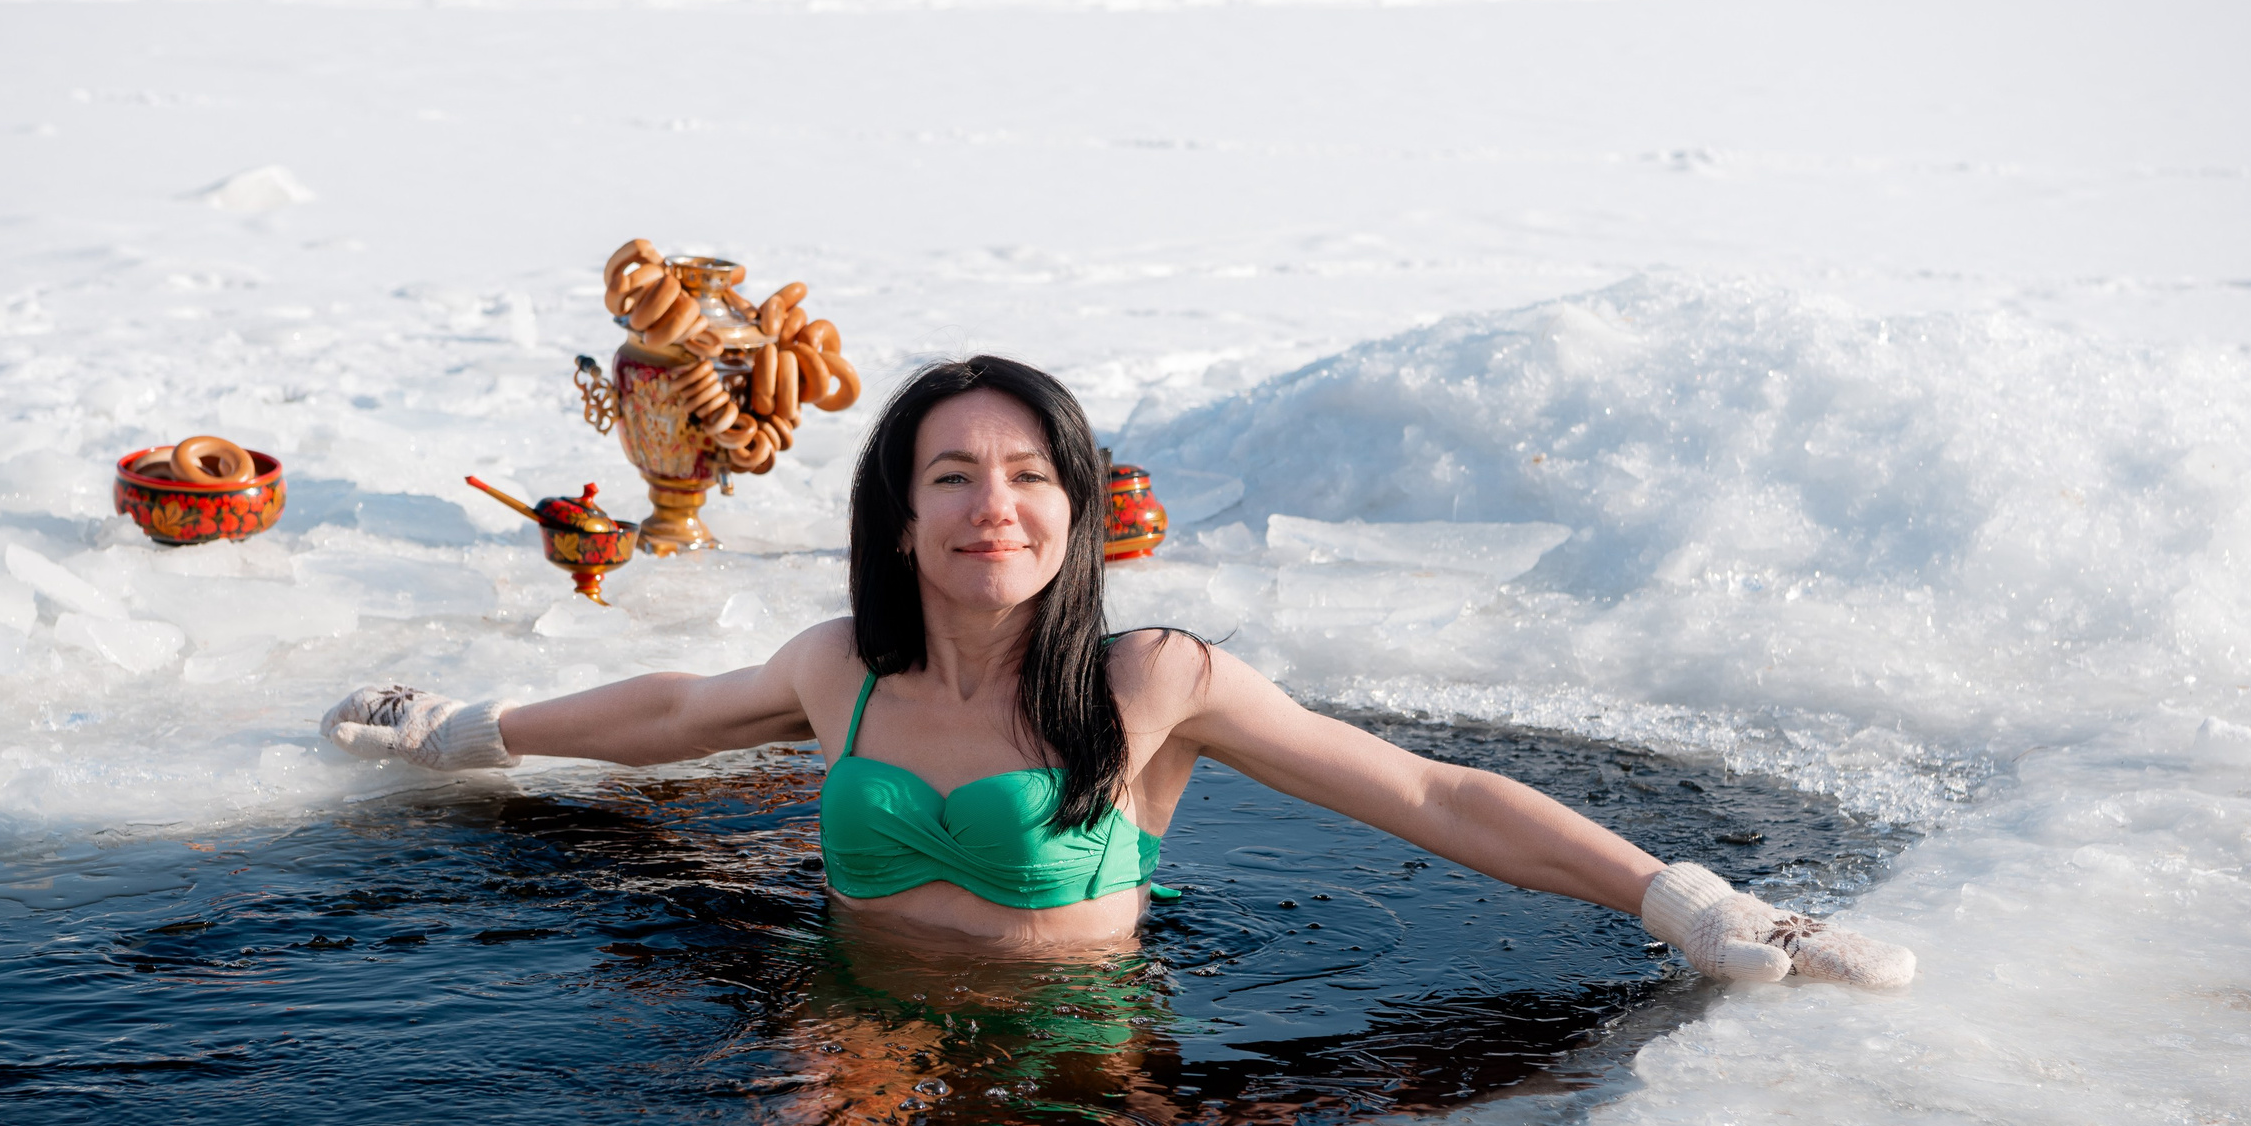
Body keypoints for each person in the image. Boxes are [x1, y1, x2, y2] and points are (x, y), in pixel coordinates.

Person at [320, 355, 1912, 989]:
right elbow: (671, 718)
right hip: (847, 1001)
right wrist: (463, 727)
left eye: (1026, 474)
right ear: (900, 513)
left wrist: (1696, 904)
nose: (988, 503)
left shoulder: (1155, 681)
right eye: (949, 474)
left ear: (1076, 511)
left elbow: (1429, 795)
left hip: (1074, 1049)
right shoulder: (841, 670)